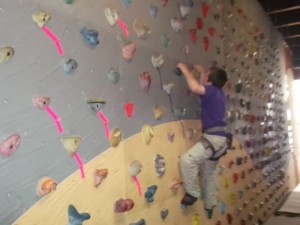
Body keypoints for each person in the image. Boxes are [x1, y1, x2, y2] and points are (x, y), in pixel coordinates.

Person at [177, 62, 232, 218]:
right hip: (219, 140)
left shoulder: (213, 92)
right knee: (209, 173)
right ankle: (210, 204)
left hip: (213, 139)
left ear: (209, 80)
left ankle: (193, 193)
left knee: (187, 160)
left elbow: (195, 88)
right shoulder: (218, 93)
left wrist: (185, 69)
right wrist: (202, 71)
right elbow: (202, 87)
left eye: (207, 74)